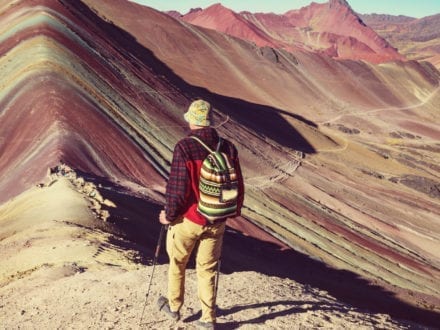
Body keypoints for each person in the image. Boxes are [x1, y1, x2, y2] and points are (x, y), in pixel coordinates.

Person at [158, 99, 245, 329]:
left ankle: (175, 308)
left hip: (188, 220)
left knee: (178, 263)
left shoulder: (185, 147)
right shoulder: (227, 147)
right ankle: (208, 318)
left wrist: (168, 215)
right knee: (207, 269)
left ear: (192, 121)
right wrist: (231, 212)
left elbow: (177, 189)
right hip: (217, 220)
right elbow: (238, 184)